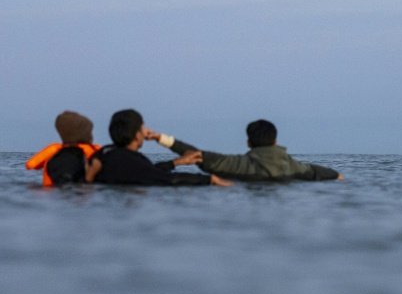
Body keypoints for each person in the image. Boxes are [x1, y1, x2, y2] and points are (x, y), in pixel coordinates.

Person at [158, 119, 344, 181]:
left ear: (248, 142)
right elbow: (316, 171)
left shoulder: (239, 165)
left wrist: (161, 138)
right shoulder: (293, 166)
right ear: (275, 141)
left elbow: (196, 156)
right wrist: (337, 175)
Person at [86, 109, 230, 186]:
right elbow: (166, 179)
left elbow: (147, 171)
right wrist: (209, 180)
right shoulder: (131, 160)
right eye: (143, 127)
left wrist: (177, 162)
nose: (146, 130)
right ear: (137, 135)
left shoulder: (105, 152)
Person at [26, 111, 101, 186]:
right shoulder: (94, 149)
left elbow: (30, 165)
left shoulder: (54, 149)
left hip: (52, 193)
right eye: (89, 132)